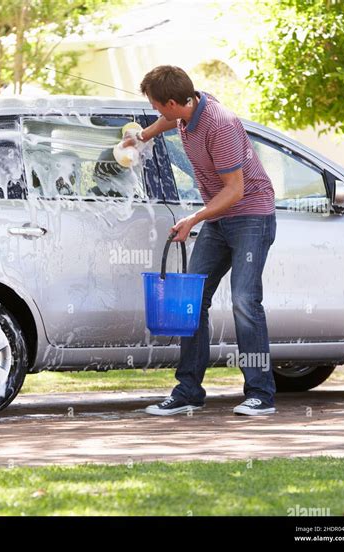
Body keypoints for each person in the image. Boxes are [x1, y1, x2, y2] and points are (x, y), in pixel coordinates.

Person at [124, 65, 277, 416]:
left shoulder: (218, 125)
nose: (157, 112)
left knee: (245, 301)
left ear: (176, 101)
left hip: (250, 214)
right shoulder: (188, 112)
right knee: (192, 301)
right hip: (220, 217)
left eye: (158, 106)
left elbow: (236, 190)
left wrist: (193, 218)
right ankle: (188, 390)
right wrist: (142, 136)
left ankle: (261, 393)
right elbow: (168, 122)